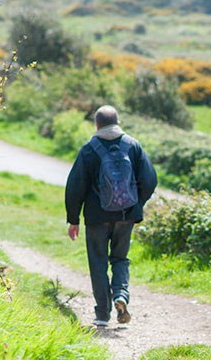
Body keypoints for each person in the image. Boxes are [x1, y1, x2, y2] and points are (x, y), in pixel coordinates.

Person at [65, 105, 157, 328]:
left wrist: (73, 219)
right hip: (126, 215)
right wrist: (135, 203)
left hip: (97, 217)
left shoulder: (89, 149)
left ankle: (102, 314)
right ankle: (121, 296)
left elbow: (75, 186)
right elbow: (150, 180)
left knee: (98, 262)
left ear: (96, 124)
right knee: (120, 258)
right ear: (118, 122)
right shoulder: (133, 145)